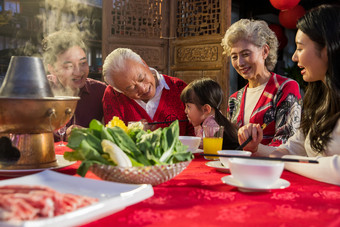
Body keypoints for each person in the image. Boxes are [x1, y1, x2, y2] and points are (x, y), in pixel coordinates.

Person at [237, 4, 340, 185]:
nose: (294, 57)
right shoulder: (319, 100)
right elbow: (293, 147)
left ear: (327, 49)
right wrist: (257, 148)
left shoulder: (286, 86)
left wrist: (286, 161)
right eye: (234, 56)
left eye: (300, 48)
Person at [221, 19, 302, 153]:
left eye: (245, 54)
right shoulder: (234, 99)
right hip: (240, 167)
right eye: (234, 56)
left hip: (272, 170)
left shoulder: (285, 88)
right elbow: (234, 144)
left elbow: (287, 144)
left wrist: (254, 149)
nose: (239, 63)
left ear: (265, 51)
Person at [102, 48, 194, 136]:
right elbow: (114, 140)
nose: (143, 89)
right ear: (119, 90)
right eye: (131, 88)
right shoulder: (113, 94)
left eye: (141, 78)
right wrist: (134, 135)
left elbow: (195, 134)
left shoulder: (179, 88)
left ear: (144, 64)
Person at [42, 30, 107, 139]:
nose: (78, 72)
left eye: (83, 63)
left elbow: (116, 130)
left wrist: (91, 133)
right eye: (68, 66)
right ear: (52, 69)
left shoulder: (100, 91)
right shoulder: (40, 91)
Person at [180, 78, 239, 149]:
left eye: (188, 106)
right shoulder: (211, 121)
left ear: (206, 109)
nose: (185, 111)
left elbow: (209, 151)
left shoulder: (211, 126)